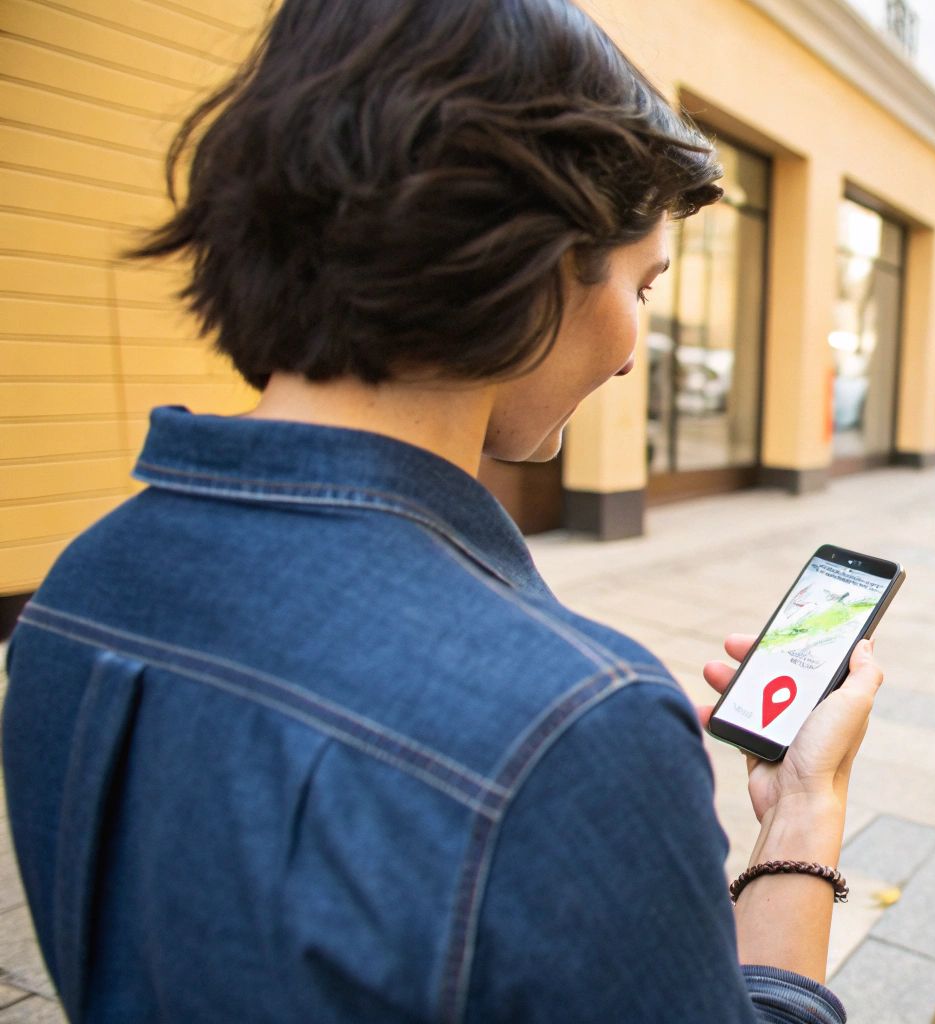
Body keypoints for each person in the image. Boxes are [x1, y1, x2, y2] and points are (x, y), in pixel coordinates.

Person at [0, 3, 876, 1021]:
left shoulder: (81, 585)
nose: (633, 347)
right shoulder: (576, 727)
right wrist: (804, 813)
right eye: (641, 285)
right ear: (546, 266)